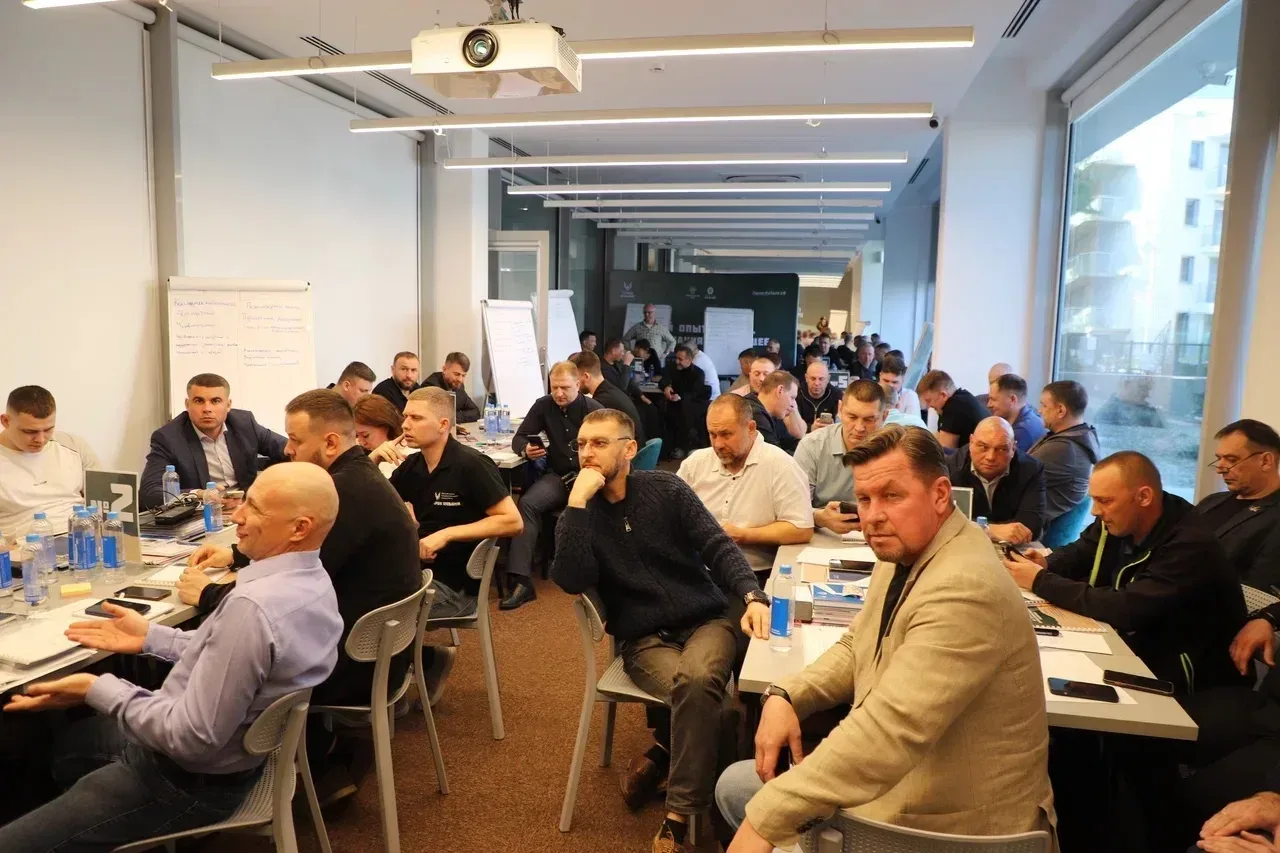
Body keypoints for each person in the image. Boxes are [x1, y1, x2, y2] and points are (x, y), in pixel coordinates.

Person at [715, 425, 1055, 853]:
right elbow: (858, 643)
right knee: (737, 787)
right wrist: (787, 693)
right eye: (864, 499)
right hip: (908, 782)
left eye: (892, 496)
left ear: (940, 494)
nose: (873, 516)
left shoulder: (966, 586)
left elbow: (886, 734)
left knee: (749, 801)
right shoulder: (907, 549)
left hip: (949, 828)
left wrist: (764, 822)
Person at [0, 463, 344, 851]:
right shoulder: (312, 580)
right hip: (230, 759)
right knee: (63, 744)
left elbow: (192, 739)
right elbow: (232, 656)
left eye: (256, 509)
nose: (238, 515)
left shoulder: (252, 608)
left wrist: (97, 688)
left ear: (299, 528)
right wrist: (151, 637)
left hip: (183, 780)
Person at [178, 390, 420, 799]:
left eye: (295, 440)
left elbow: (283, 600)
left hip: (348, 664)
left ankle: (216, 787)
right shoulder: (358, 477)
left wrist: (209, 594)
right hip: (377, 649)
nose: (287, 450)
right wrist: (237, 553)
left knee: (219, 657)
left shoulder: (341, 493)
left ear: (330, 443)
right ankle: (321, 761)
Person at [552, 409, 771, 853]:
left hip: (707, 620)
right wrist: (575, 505)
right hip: (645, 640)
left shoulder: (666, 490)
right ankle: (719, 820)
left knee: (698, 680)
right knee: (719, 709)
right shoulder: (578, 515)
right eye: (582, 444)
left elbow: (717, 545)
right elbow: (572, 579)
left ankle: (678, 814)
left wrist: (752, 595)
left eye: (599, 443)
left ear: (630, 449)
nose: (587, 453)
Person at [1003, 451, 1247, 693]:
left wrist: (1040, 581)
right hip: (1135, 646)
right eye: (1094, 500)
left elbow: (1128, 608)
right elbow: (1083, 551)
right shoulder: (1124, 518)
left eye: (1105, 501)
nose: (1095, 511)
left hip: (1187, 677)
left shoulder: (1190, 544)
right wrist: (1047, 563)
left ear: (1144, 497)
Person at [373, 387, 522, 624]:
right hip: (420, 573)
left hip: (457, 591)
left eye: (416, 418)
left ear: (443, 425)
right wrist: (373, 460)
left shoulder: (471, 464)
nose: (405, 425)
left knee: (370, 608)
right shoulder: (414, 464)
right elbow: (373, 503)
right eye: (405, 417)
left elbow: (513, 521)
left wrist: (446, 534)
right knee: (358, 588)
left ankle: (413, 649)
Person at [678, 394, 813, 577]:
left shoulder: (780, 465)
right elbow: (670, 514)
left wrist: (744, 535)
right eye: (712, 434)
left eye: (726, 434)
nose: (718, 444)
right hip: (700, 572)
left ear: (751, 428)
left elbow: (801, 529)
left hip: (757, 573)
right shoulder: (695, 464)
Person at [505, 362, 603, 610]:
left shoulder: (594, 410)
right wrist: (526, 449)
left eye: (565, 388)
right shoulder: (543, 405)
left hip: (589, 476)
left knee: (597, 511)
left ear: (578, 385)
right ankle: (522, 581)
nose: (558, 393)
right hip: (559, 477)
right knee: (527, 504)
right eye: (554, 387)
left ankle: (598, 577)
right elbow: (519, 437)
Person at [139, 373, 288, 510]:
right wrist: (199, 495)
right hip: (203, 514)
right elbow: (150, 492)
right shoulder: (168, 438)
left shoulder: (244, 424)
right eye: (199, 401)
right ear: (187, 404)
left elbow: (291, 451)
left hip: (247, 508)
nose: (207, 409)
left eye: (215, 401)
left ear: (228, 405)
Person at [0, 385, 98, 544]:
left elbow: (104, 501)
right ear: (5, 421)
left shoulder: (73, 445)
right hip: (24, 548)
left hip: (83, 540)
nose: (40, 439)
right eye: (30, 432)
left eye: (48, 430)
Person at [1195, 419, 1280, 590]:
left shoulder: (1275, 515)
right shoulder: (1211, 502)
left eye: (1231, 459)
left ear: (1266, 461)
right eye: (1219, 459)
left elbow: (1259, 590)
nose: (1220, 469)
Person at [795, 381, 888, 534]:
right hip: (823, 534)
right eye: (852, 417)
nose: (859, 428)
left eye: (869, 420)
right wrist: (820, 518)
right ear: (840, 409)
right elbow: (794, 507)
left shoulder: (894, 450)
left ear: (884, 416)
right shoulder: (812, 446)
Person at [945, 417, 1046, 544]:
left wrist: (972, 526)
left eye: (1001, 449)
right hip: (964, 544)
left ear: (1013, 448)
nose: (991, 457)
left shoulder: (1031, 469)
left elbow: (1032, 525)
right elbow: (943, 522)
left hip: (1011, 547)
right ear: (971, 442)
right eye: (983, 447)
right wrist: (989, 530)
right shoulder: (949, 468)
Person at [1028, 380, 1101, 547]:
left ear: (1060, 410)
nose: (1039, 410)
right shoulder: (1074, 438)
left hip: (1035, 538)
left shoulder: (1064, 449)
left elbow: (1012, 474)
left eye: (1044, 405)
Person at [569, 350, 646, 446]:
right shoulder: (611, 391)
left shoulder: (601, 403)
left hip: (628, 452)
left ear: (586, 376)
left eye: (575, 379)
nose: (573, 384)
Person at [659, 345, 712, 459]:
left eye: (681, 359)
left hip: (691, 403)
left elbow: (695, 392)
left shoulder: (698, 373)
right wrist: (666, 387)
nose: (677, 362)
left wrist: (680, 397)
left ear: (689, 360)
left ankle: (684, 446)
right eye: (677, 358)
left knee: (684, 410)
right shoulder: (673, 368)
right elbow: (663, 380)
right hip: (674, 401)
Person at [916, 369, 987, 449]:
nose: (928, 406)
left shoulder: (954, 407)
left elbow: (946, 451)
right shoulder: (961, 398)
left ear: (943, 395)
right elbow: (940, 435)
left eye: (928, 401)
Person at [744, 371, 806, 454]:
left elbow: (790, 442)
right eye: (792, 397)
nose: (793, 405)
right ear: (780, 390)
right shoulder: (754, 414)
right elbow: (774, 456)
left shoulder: (773, 414)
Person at [986, 373, 1047, 452]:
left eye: (993, 399)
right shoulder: (1032, 415)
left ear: (1012, 399)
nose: (989, 404)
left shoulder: (1022, 432)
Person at [419, 352, 481, 424]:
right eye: (456, 374)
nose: (460, 379)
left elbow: (475, 412)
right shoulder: (431, 386)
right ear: (444, 369)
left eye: (463, 375)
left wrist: (454, 417)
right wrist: (455, 416)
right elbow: (437, 417)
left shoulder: (458, 386)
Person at [353, 394, 403, 478]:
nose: (361, 442)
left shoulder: (408, 455)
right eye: (357, 435)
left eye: (365, 435)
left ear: (386, 427)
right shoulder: (358, 453)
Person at [795, 360, 840, 430]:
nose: (817, 383)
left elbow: (842, 425)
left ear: (828, 379)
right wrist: (810, 428)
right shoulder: (796, 394)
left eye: (821, 379)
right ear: (806, 378)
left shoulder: (837, 396)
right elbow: (791, 425)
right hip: (802, 435)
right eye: (813, 378)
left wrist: (833, 426)